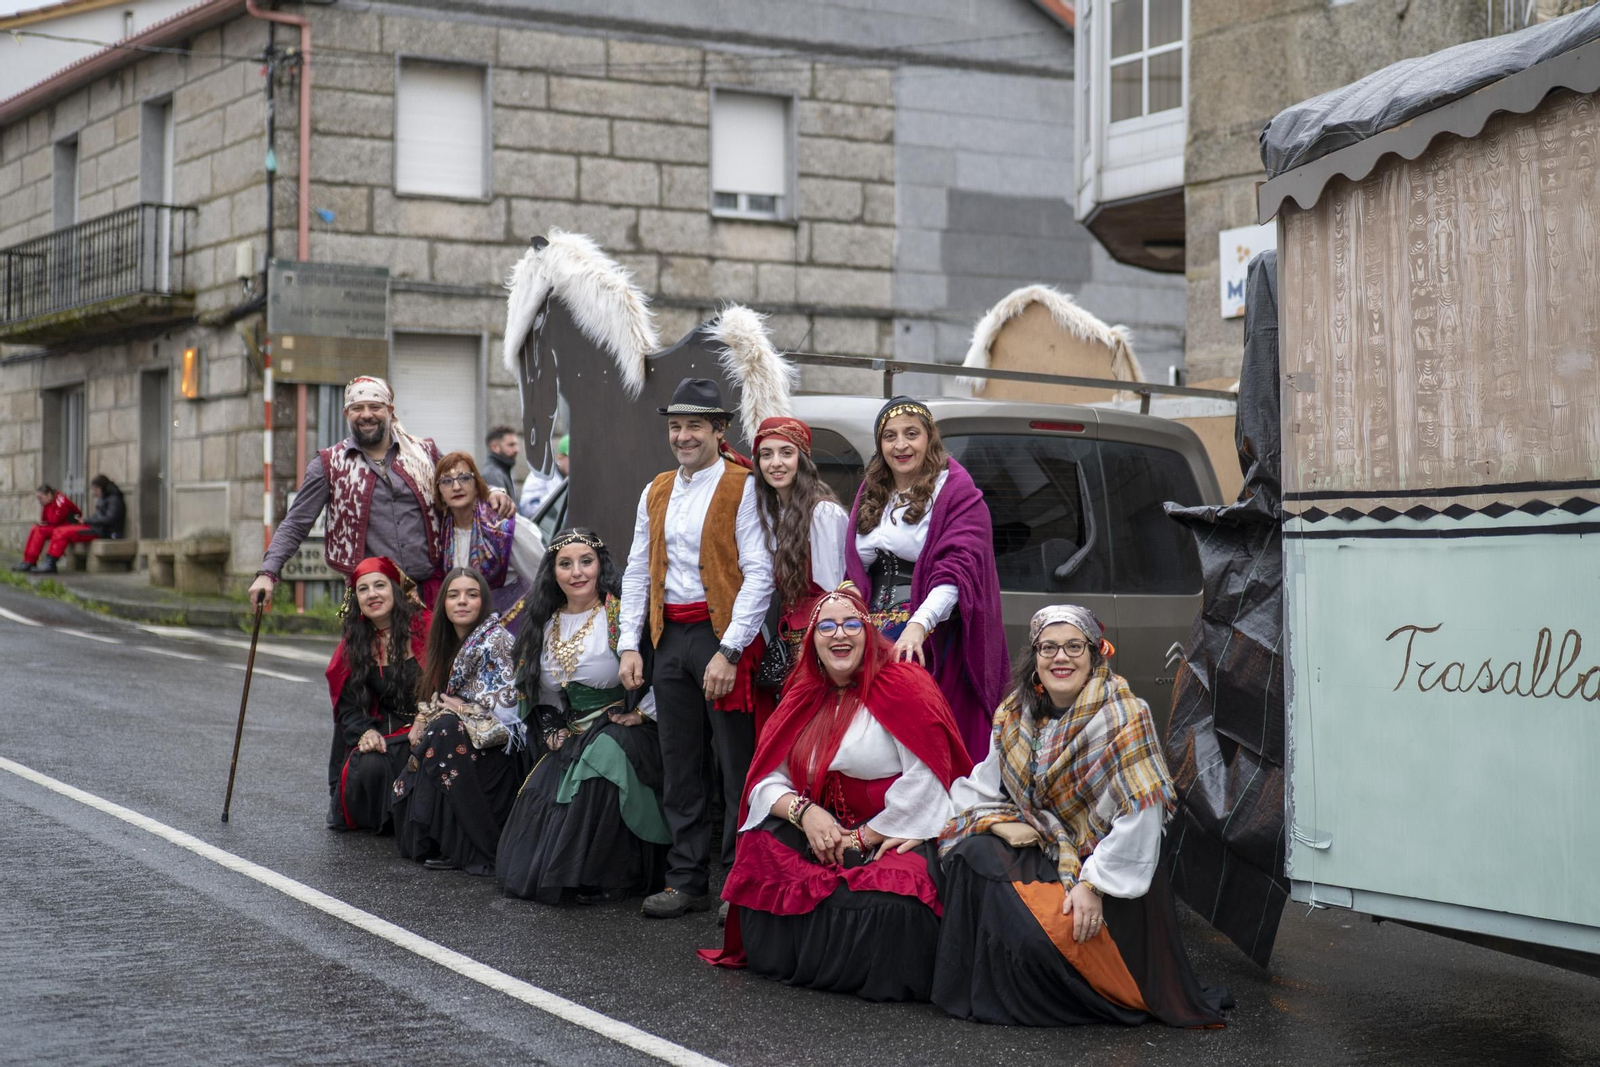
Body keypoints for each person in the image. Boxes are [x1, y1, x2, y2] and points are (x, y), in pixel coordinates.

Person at [933, 605, 1231, 1028]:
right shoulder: (1015, 714)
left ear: (1095, 654)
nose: (1061, 657)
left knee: (1039, 940)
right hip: (1051, 844)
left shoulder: (1125, 715)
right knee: (973, 854)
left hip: (1108, 871)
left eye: (1074, 646)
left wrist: (1094, 885)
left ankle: (1084, 986)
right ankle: (1001, 986)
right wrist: (945, 825)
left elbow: (1142, 814)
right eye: (1048, 647)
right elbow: (984, 784)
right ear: (1034, 657)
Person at [698, 584, 970, 1001]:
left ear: (868, 632)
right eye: (826, 626)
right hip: (821, 827)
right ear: (812, 640)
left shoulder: (905, 685)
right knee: (759, 855)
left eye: (850, 625)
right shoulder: (802, 694)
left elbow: (930, 776)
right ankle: (802, 961)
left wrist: (865, 836)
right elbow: (767, 780)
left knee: (893, 900)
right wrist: (806, 814)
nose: (839, 635)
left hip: (894, 829)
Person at [618, 378, 775, 919]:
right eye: (675, 427)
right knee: (679, 762)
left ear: (718, 430)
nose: (683, 436)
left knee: (736, 765)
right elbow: (639, 568)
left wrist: (730, 651)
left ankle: (737, 880)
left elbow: (760, 576)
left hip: (721, 636)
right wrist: (629, 644)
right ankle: (686, 878)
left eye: (694, 426)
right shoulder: (656, 488)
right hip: (670, 639)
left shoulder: (743, 485)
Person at [498, 528, 669, 905]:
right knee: (545, 787)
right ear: (552, 573)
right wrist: (551, 728)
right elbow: (540, 695)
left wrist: (642, 713)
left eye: (586, 562)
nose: (577, 572)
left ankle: (598, 874)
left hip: (625, 727)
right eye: (566, 564)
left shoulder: (620, 614)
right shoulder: (543, 624)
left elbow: (666, 669)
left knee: (600, 759)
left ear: (600, 566)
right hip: (574, 732)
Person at [248, 376, 514, 610]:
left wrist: (491, 492)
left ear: (390, 411)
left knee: (430, 668)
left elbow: (460, 481)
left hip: (428, 593)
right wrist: (267, 572)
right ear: (346, 413)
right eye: (357, 408)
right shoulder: (329, 464)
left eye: (375, 407)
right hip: (370, 599)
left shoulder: (424, 452)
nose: (367, 414)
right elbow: (295, 524)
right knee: (368, 668)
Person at [843, 396, 1008, 762]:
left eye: (911, 434)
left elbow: (957, 572)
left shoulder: (956, 492)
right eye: (889, 436)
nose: (900, 445)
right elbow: (857, 565)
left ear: (929, 437)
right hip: (870, 627)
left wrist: (919, 625)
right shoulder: (873, 489)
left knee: (913, 735)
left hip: (932, 631)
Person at [392, 567, 527, 875]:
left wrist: (461, 711)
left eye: (471, 595)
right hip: (462, 745)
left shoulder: (497, 642)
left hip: (498, 756)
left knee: (444, 731)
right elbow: (443, 699)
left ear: (484, 602)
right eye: (453, 595)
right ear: (444, 605)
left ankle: (481, 845)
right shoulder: (450, 642)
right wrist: (424, 717)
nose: (462, 602)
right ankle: (442, 840)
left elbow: (512, 720)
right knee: (431, 734)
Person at [750, 416, 848, 734]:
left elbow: (835, 593)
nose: (775, 463)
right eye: (767, 454)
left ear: (802, 459)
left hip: (818, 645)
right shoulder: (773, 511)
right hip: (789, 642)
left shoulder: (822, 513)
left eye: (786, 453)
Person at [324, 556, 428, 833]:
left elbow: (450, 682)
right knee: (369, 763)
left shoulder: (426, 627)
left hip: (431, 724)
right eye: (363, 589)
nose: (372, 594)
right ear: (355, 598)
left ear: (395, 588)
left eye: (379, 585)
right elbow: (349, 705)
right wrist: (364, 733)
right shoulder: (354, 643)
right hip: (387, 731)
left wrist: (426, 715)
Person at [435, 452, 545, 627]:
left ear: (477, 485)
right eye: (447, 481)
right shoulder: (440, 531)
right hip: (466, 629)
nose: (456, 487)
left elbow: (542, 573)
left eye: (464, 478)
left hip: (512, 623)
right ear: (440, 493)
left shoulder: (502, 525)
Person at [13, 484, 84, 573]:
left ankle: (44, 562)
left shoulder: (60, 501)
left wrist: (45, 521)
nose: (39, 501)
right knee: (36, 528)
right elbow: (45, 520)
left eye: (40, 498)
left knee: (41, 530)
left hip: (65, 526)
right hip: (58, 526)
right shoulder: (48, 503)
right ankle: (28, 560)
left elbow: (55, 520)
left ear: (49, 495)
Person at [518, 434, 569, 519]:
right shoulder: (541, 474)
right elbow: (527, 508)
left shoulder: (575, 478)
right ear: (560, 457)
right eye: (571, 457)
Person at [483, 425, 521, 498]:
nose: (516, 450)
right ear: (494, 447)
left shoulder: (505, 469)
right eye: (511, 445)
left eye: (516, 445)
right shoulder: (493, 474)